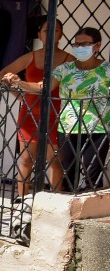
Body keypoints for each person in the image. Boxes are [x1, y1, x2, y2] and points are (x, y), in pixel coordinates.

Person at [0, 20, 71, 196]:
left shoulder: (69, 59)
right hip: (29, 114)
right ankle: (21, 201)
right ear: (39, 35)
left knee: (54, 161)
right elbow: (2, 75)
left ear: (61, 34)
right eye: (46, 30)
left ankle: (54, 201)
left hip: (56, 114)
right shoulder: (30, 56)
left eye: (56, 30)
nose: (51, 33)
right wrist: (21, 97)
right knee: (25, 159)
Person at [53, 27, 110, 192]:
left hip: (99, 127)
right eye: (76, 44)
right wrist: (18, 83)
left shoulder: (107, 69)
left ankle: (88, 212)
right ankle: (67, 207)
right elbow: (44, 86)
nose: (79, 48)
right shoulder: (65, 69)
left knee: (92, 171)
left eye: (84, 44)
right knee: (68, 171)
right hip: (68, 126)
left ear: (97, 45)